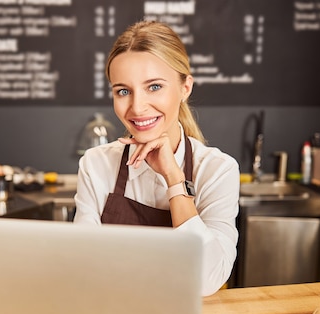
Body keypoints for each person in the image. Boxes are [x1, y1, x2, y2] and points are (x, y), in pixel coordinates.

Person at [73, 20, 240, 296]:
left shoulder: (217, 170)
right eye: (123, 91)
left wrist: (175, 179)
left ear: (185, 88)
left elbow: (207, 280)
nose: (137, 107)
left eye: (154, 87)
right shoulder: (96, 165)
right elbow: (82, 266)